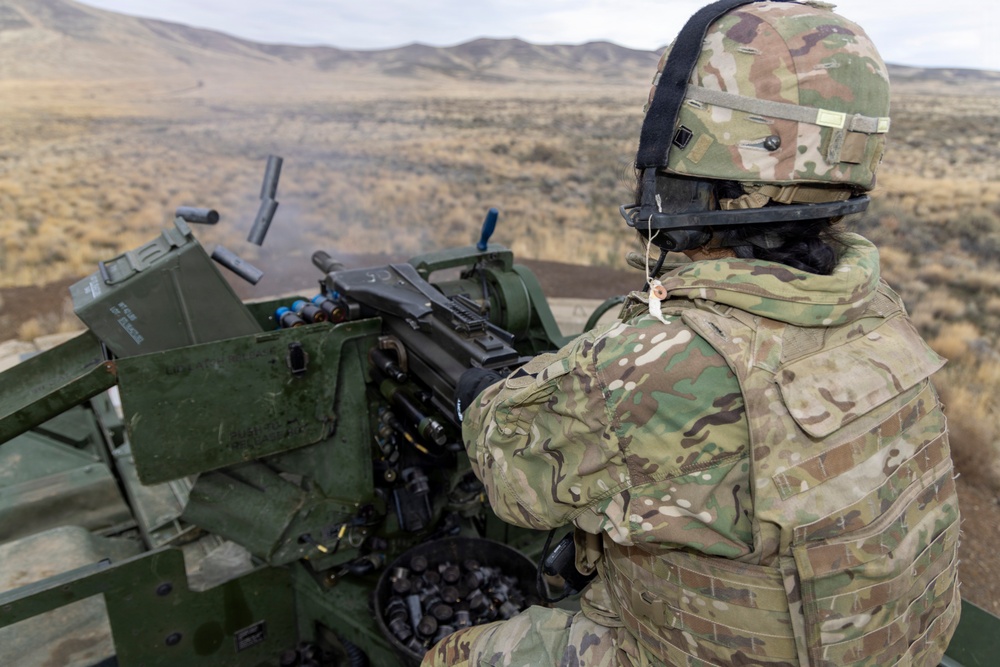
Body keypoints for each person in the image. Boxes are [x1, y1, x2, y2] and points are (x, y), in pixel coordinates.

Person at [423, 1, 961, 665]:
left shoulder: (656, 364)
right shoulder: (879, 311)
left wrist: (480, 393)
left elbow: (511, 481)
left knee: (453, 654)